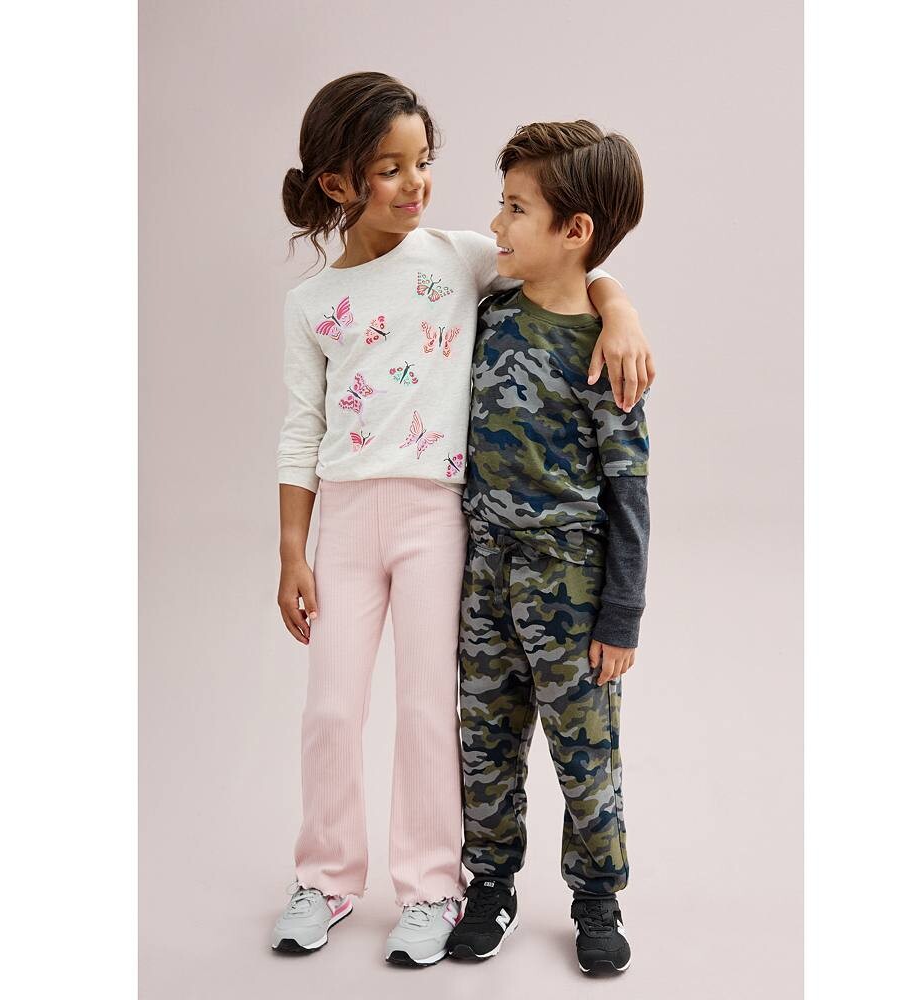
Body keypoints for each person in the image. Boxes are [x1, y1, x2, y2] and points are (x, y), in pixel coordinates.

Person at [270, 74, 654, 967]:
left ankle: (434, 889)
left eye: (424, 162)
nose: (416, 184)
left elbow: (574, 260)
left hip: (442, 523)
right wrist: (292, 549)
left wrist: (622, 309)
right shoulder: (312, 304)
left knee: (430, 712)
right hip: (354, 524)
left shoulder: (458, 257)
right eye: (391, 169)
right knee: (335, 710)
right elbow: (300, 429)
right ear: (339, 183)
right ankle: (328, 877)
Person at [445, 120, 650, 976]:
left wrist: (621, 615)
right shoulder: (488, 313)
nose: (496, 223)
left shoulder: (607, 353)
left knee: (584, 752)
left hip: (570, 584)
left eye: (515, 208)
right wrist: (615, 291)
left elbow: (630, 492)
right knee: (484, 742)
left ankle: (596, 899)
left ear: (575, 230)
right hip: (484, 573)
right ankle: (490, 887)